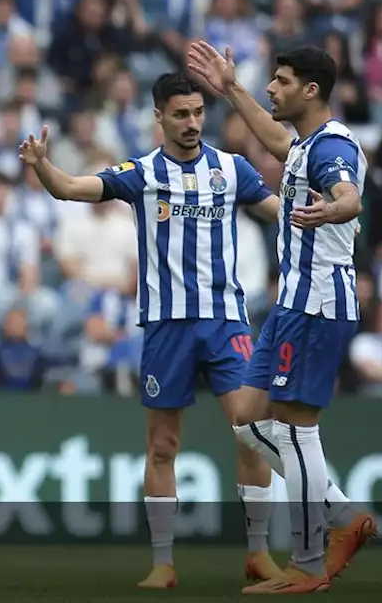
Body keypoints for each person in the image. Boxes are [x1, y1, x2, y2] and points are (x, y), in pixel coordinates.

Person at [19, 72, 285, 590]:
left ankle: (258, 554)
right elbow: (74, 189)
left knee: (250, 430)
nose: (191, 123)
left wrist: (322, 211)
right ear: (158, 116)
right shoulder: (141, 173)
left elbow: (281, 210)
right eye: (180, 114)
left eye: (198, 113)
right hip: (165, 325)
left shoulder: (231, 170)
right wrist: (43, 166)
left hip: (225, 319)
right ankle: (163, 562)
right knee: (163, 445)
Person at [189, 43, 376, 593]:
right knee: (247, 419)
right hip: (291, 304)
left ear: (310, 90)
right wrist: (230, 86)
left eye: (280, 80)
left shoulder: (333, 146)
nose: (271, 87)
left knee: (297, 430)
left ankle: (310, 563)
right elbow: (278, 143)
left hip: (316, 304)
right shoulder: (305, 144)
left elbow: (348, 195)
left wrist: (335, 207)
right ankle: (344, 515)